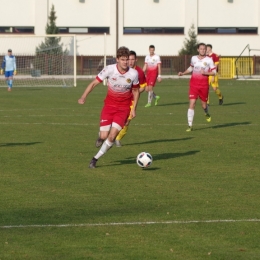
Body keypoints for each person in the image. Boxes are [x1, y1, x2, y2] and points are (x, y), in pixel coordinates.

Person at [78, 46, 140, 168]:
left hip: (123, 108)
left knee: (112, 136)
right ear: (117, 59)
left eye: (127, 59)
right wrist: (83, 96)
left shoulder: (133, 73)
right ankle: (101, 137)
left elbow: (136, 91)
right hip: (109, 107)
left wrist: (133, 109)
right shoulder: (109, 70)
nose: (125, 62)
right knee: (104, 136)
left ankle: (95, 159)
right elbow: (94, 83)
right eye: (122, 59)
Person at [178, 43, 216, 132]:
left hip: (204, 86)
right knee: (192, 104)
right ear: (198, 50)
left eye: (204, 49)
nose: (202, 50)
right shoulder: (194, 58)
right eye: (201, 49)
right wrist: (183, 73)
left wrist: (205, 73)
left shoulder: (209, 60)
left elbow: (214, 72)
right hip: (193, 85)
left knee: (203, 105)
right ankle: (190, 125)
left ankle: (206, 112)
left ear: (206, 50)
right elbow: (191, 68)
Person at [115, 50, 147, 147]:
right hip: (120, 97)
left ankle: (117, 139)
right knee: (116, 117)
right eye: (129, 59)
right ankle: (107, 133)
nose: (130, 61)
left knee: (127, 120)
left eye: (133, 59)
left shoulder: (139, 72)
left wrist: (135, 91)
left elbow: (143, 87)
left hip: (132, 100)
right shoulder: (123, 69)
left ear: (136, 60)